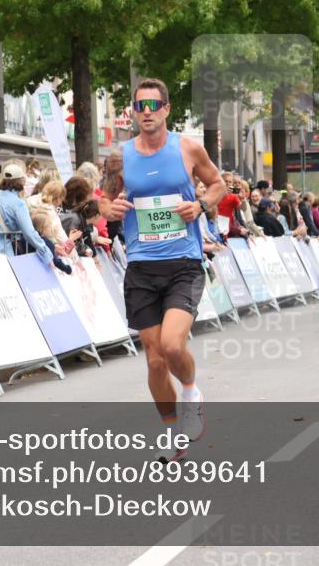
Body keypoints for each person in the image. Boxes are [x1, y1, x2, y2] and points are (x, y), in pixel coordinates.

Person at [99, 77, 225, 462]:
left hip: (183, 264)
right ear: (133, 112)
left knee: (172, 346)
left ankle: (191, 391)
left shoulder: (187, 147)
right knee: (154, 361)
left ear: (167, 109)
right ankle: (173, 434)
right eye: (140, 107)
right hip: (141, 267)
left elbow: (218, 184)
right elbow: (102, 200)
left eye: (154, 106)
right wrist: (109, 210)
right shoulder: (120, 157)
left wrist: (201, 206)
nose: (147, 113)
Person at [0, 162, 59, 269]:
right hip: (2, 254)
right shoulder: (18, 203)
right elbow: (29, 233)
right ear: (22, 182)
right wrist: (46, 254)